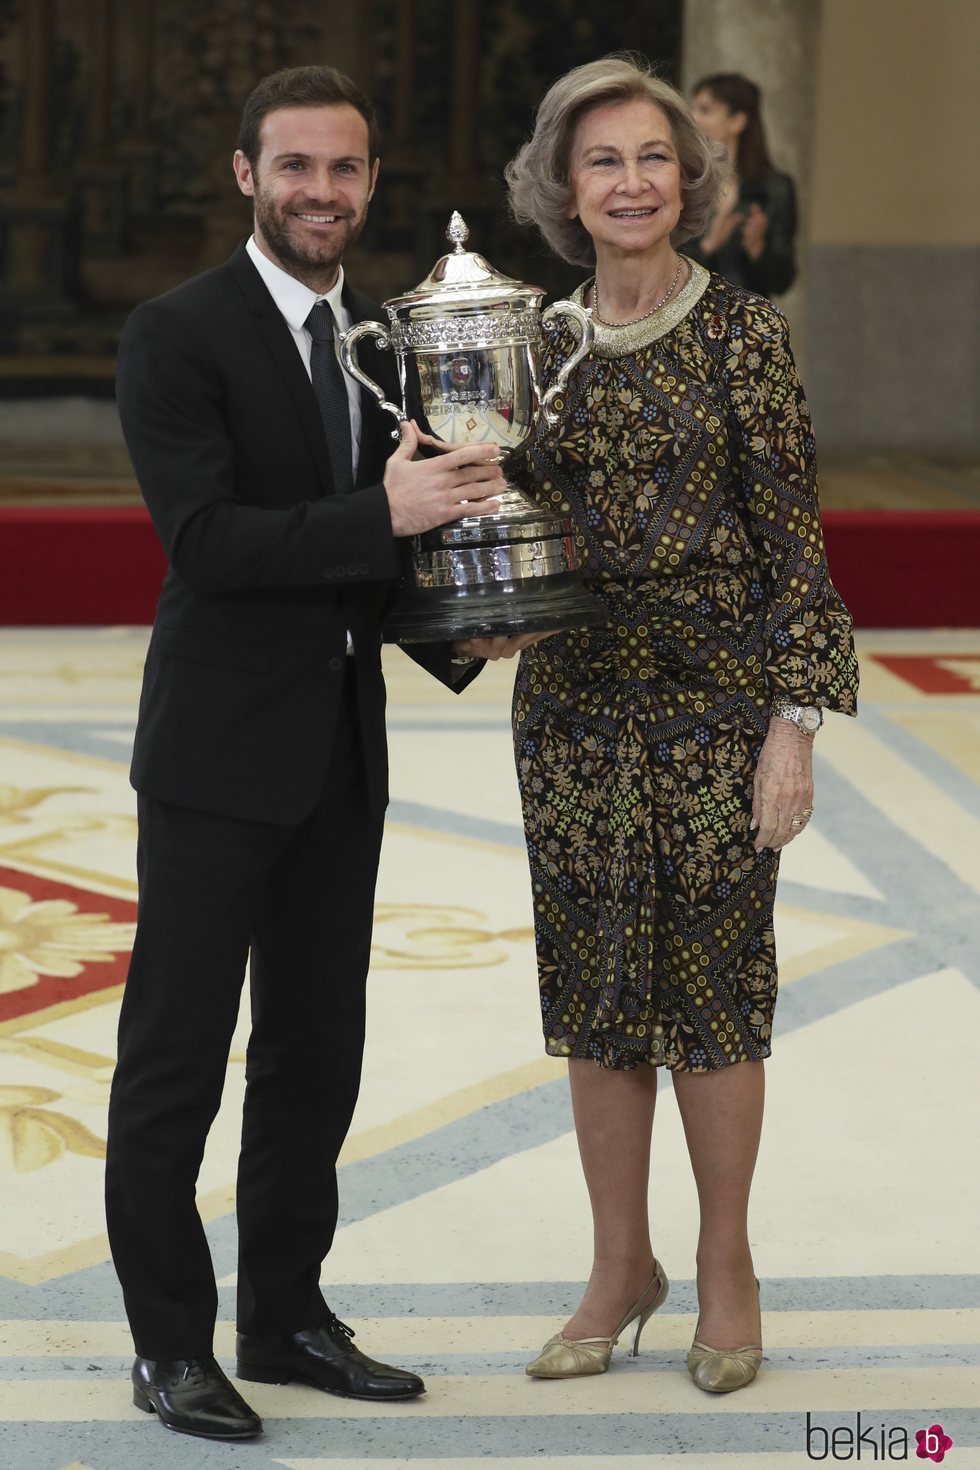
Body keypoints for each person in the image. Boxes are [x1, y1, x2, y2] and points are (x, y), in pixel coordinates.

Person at [104, 64, 518, 1442]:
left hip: (341, 754)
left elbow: (378, 557)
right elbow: (209, 546)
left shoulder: (388, 343)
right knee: (178, 1058)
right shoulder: (177, 333)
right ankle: (169, 1343)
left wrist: (470, 629)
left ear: (369, 184)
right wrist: (385, 511)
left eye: (344, 171)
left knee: (313, 1053)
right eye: (296, 168)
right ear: (245, 176)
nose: (321, 193)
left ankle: (283, 1314)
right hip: (216, 758)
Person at [501, 55, 858, 1391]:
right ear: (565, 188)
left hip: (716, 718)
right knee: (596, 999)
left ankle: (723, 1268)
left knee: (716, 1001)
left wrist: (794, 726)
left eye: (654, 157)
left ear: (688, 178)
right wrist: (484, 612)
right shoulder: (538, 344)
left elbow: (797, 548)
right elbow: (511, 528)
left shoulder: (743, 333)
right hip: (576, 718)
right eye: (603, 161)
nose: (632, 181)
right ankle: (618, 1265)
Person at [684, 72, 797, 297]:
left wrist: (757, 249)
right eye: (692, 109)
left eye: (705, 110)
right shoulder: (685, 182)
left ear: (737, 121)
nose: (693, 119)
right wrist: (709, 246)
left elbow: (782, 280)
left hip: (749, 321)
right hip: (695, 320)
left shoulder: (775, 188)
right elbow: (664, 269)